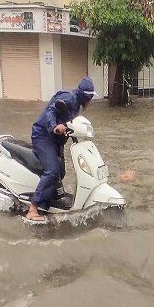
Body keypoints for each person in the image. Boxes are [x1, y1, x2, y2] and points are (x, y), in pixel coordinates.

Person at [25, 76, 97, 222]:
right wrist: (54, 126)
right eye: (90, 97)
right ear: (85, 96)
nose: (90, 101)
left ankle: (46, 202)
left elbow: (70, 122)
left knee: (61, 171)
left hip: (56, 139)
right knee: (52, 170)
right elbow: (51, 111)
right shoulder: (69, 98)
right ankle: (32, 209)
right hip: (43, 136)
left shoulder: (77, 104)